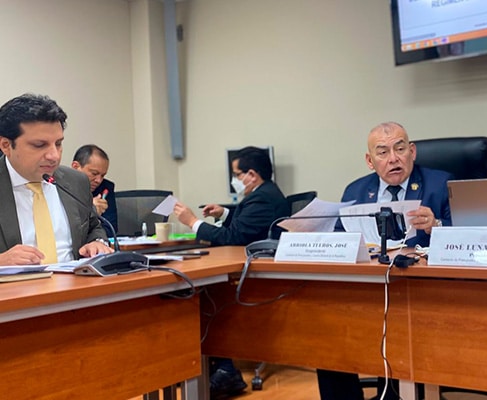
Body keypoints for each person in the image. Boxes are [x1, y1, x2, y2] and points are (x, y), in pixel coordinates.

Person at [317, 121, 452, 400]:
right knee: (327, 336)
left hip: (423, 293)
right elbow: (341, 239)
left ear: (412, 151)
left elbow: (470, 233)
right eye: (382, 152)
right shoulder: (355, 192)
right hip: (369, 291)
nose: (393, 158)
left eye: (400, 149)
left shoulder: (441, 184)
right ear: (370, 161)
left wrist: (437, 225)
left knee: (397, 335)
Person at [174, 146, 290, 397]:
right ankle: (222, 369)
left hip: (255, 279)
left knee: (204, 295)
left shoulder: (262, 198)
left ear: (252, 174)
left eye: (237, 175)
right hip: (251, 269)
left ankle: (224, 370)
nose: (235, 180)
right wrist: (225, 213)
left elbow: (233, 237)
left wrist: (193, 222)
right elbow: (245, 227)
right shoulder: (265, 193)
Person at [0, 93, 112, 265]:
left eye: (58, 144)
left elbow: (94, 227)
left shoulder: (76, 182)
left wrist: (97, 243)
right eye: (39, 145)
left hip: (74, 280)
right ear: (6, 145)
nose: (54, 156)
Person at [71, 144, 118, 237]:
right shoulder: (61, 187)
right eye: (94, 173)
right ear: (75, 167)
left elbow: (111, 229)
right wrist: (89, 210)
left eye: (102, 175)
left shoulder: (105, 188)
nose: (98, 180)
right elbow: (66, 230)